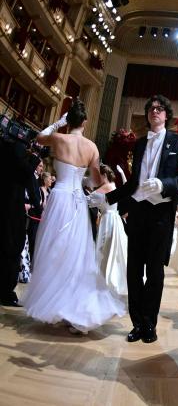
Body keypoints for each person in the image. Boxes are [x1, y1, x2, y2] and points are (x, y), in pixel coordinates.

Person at [89, 94, 178, 344]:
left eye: (159, 109)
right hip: (138, 213)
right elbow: (133, 183)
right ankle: (137, 324)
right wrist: (109, 199)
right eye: (151, 109)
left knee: (155, 273)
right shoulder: (141, 144)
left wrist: (163, 184)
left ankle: (150, 324)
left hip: (161, 215)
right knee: (134, 271)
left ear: (166, 115)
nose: (154, 111)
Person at [21, 99, 125, 334]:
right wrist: (85, 180)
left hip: (59, 198)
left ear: (69, 121)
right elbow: (98, 181)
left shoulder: (59, 138)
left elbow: (39, 136)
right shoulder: (92, 147)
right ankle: (71, 306)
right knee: (77, 253)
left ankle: (57, 303)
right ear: (86, 123)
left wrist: (58, 122)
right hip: (77, 200)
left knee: (54, 250)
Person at [0, 135, 33, 307]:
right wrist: (34, 159)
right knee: (11, 249)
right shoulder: (16, 163)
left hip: (10, 209)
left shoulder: (7, 158)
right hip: (12, 212)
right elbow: (26, 175)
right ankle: (6, 292)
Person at [94, 164, 128, 295]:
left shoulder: (106, 187)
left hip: (108, 219)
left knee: (105, 247)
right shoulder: (114, 185)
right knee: (114, 248)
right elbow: (126, 187)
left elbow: (90, 197)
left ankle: (106, 277)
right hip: (115, 219)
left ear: (103, 175)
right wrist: (123, 174)